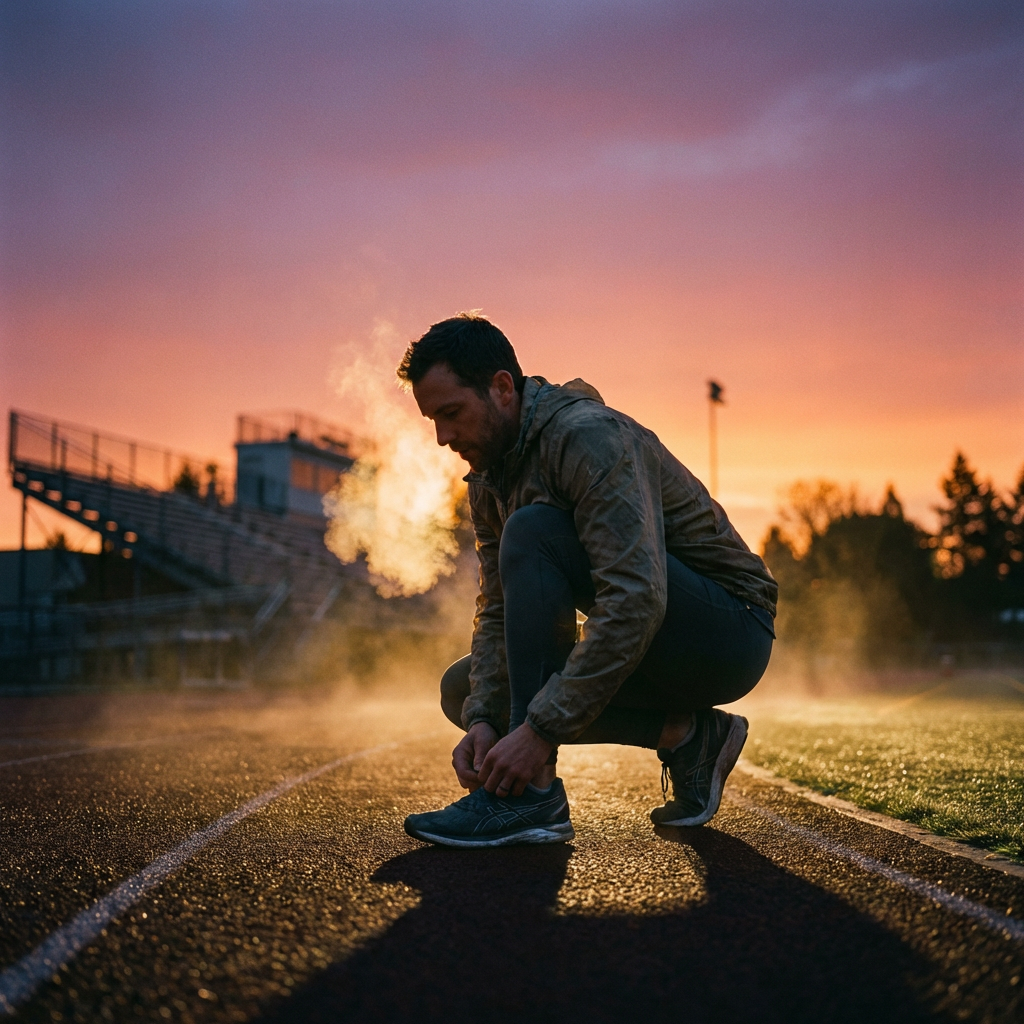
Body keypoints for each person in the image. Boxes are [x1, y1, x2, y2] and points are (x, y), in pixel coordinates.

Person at [398, 313, 777, 848]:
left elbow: (637, 598)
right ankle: (690, 736)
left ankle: (532, 795)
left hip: (730, 630)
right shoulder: (488, 481)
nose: (442, 437)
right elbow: (499, 609)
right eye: (433, 420)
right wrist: (487, 719)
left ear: (502, 387)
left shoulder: (588, 438)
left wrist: (538, 733)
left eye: (452, 413)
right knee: (463, 691)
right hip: (656, 636)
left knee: (534, 530)